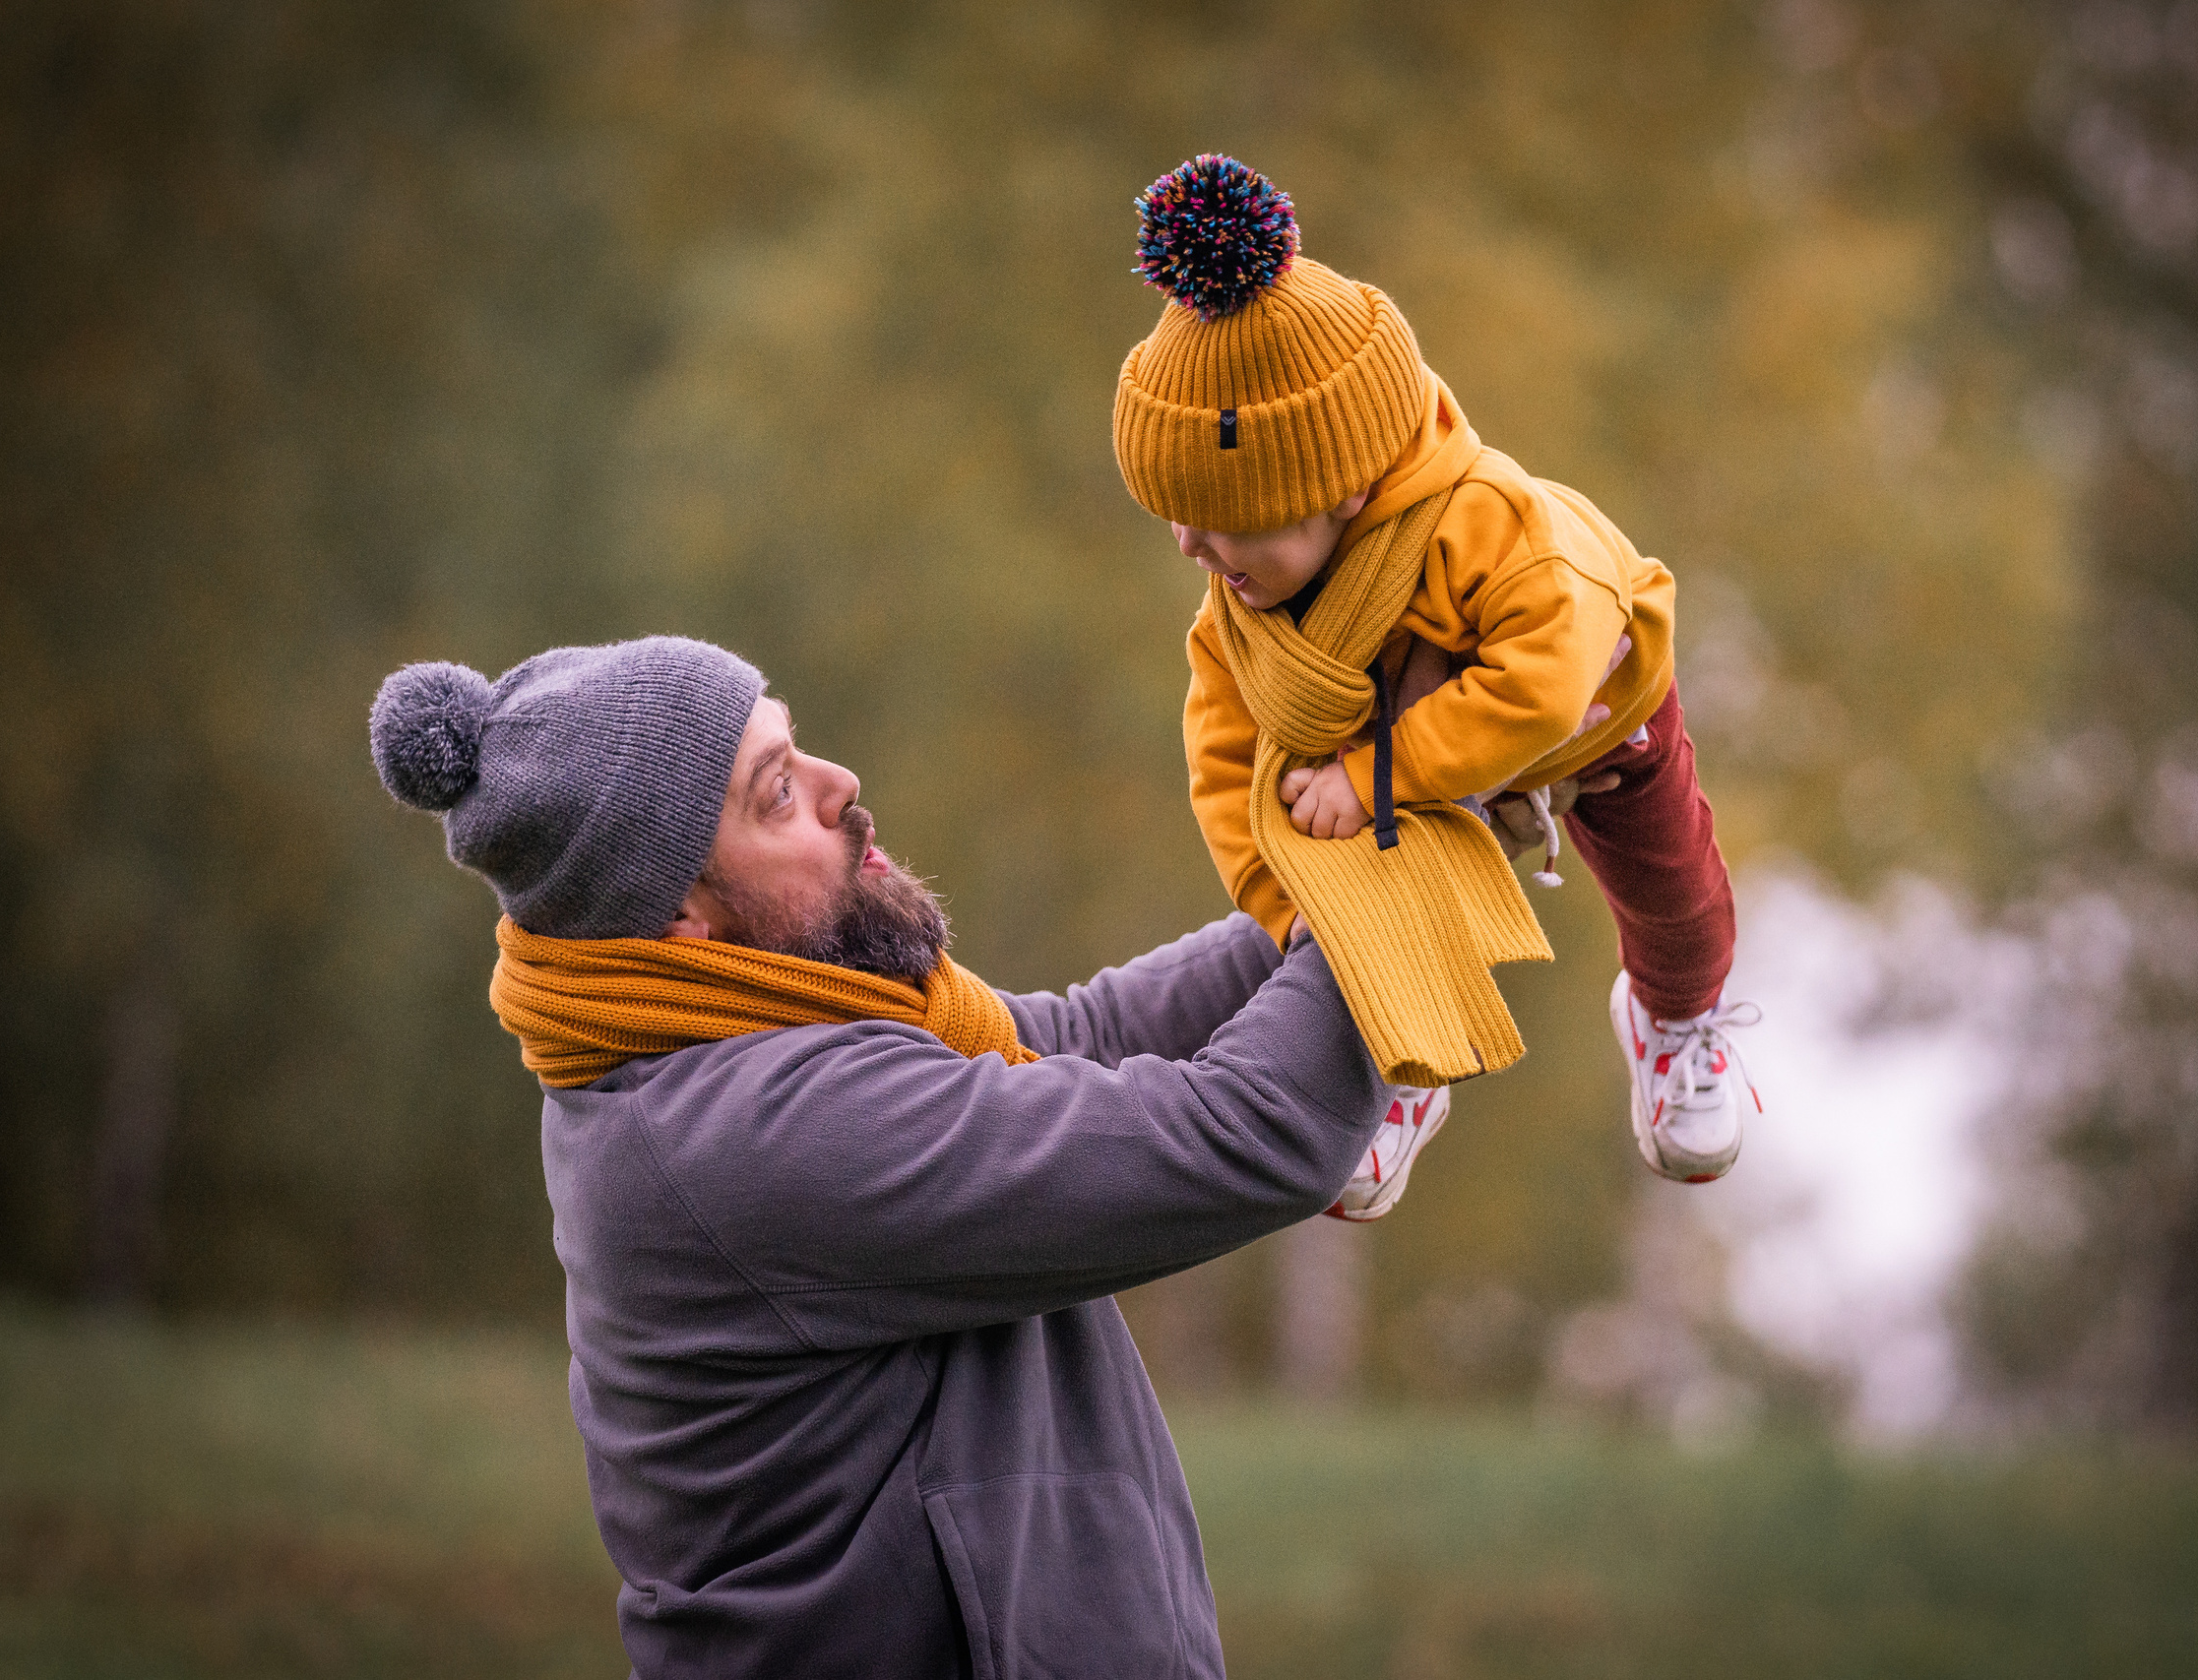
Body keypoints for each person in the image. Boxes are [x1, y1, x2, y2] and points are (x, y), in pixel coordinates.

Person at [367, 634, 1441, 1678]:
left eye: (798, 747)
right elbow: (1249, 1128)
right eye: (777, 793)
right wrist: (1417, 832)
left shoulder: (728, 1037)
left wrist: (1366, 848)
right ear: (682, 917)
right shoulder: (761, 1132)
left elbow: (1079, 1038)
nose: (840, 786)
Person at [1112, 155, 1759, 1184]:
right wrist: (1304, 921)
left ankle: (1676, 1019)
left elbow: (1542, 687)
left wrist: (1378, 775)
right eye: (1177, 518)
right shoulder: (1243, 613)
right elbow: (1227, 769)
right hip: (1420, 764)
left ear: (1347, 486)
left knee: (1674, 891)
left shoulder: (1493, 529)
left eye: (1228, 520)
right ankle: (1399, 1055)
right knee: (1367, 883)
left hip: (1596, 720)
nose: (1194, 547)